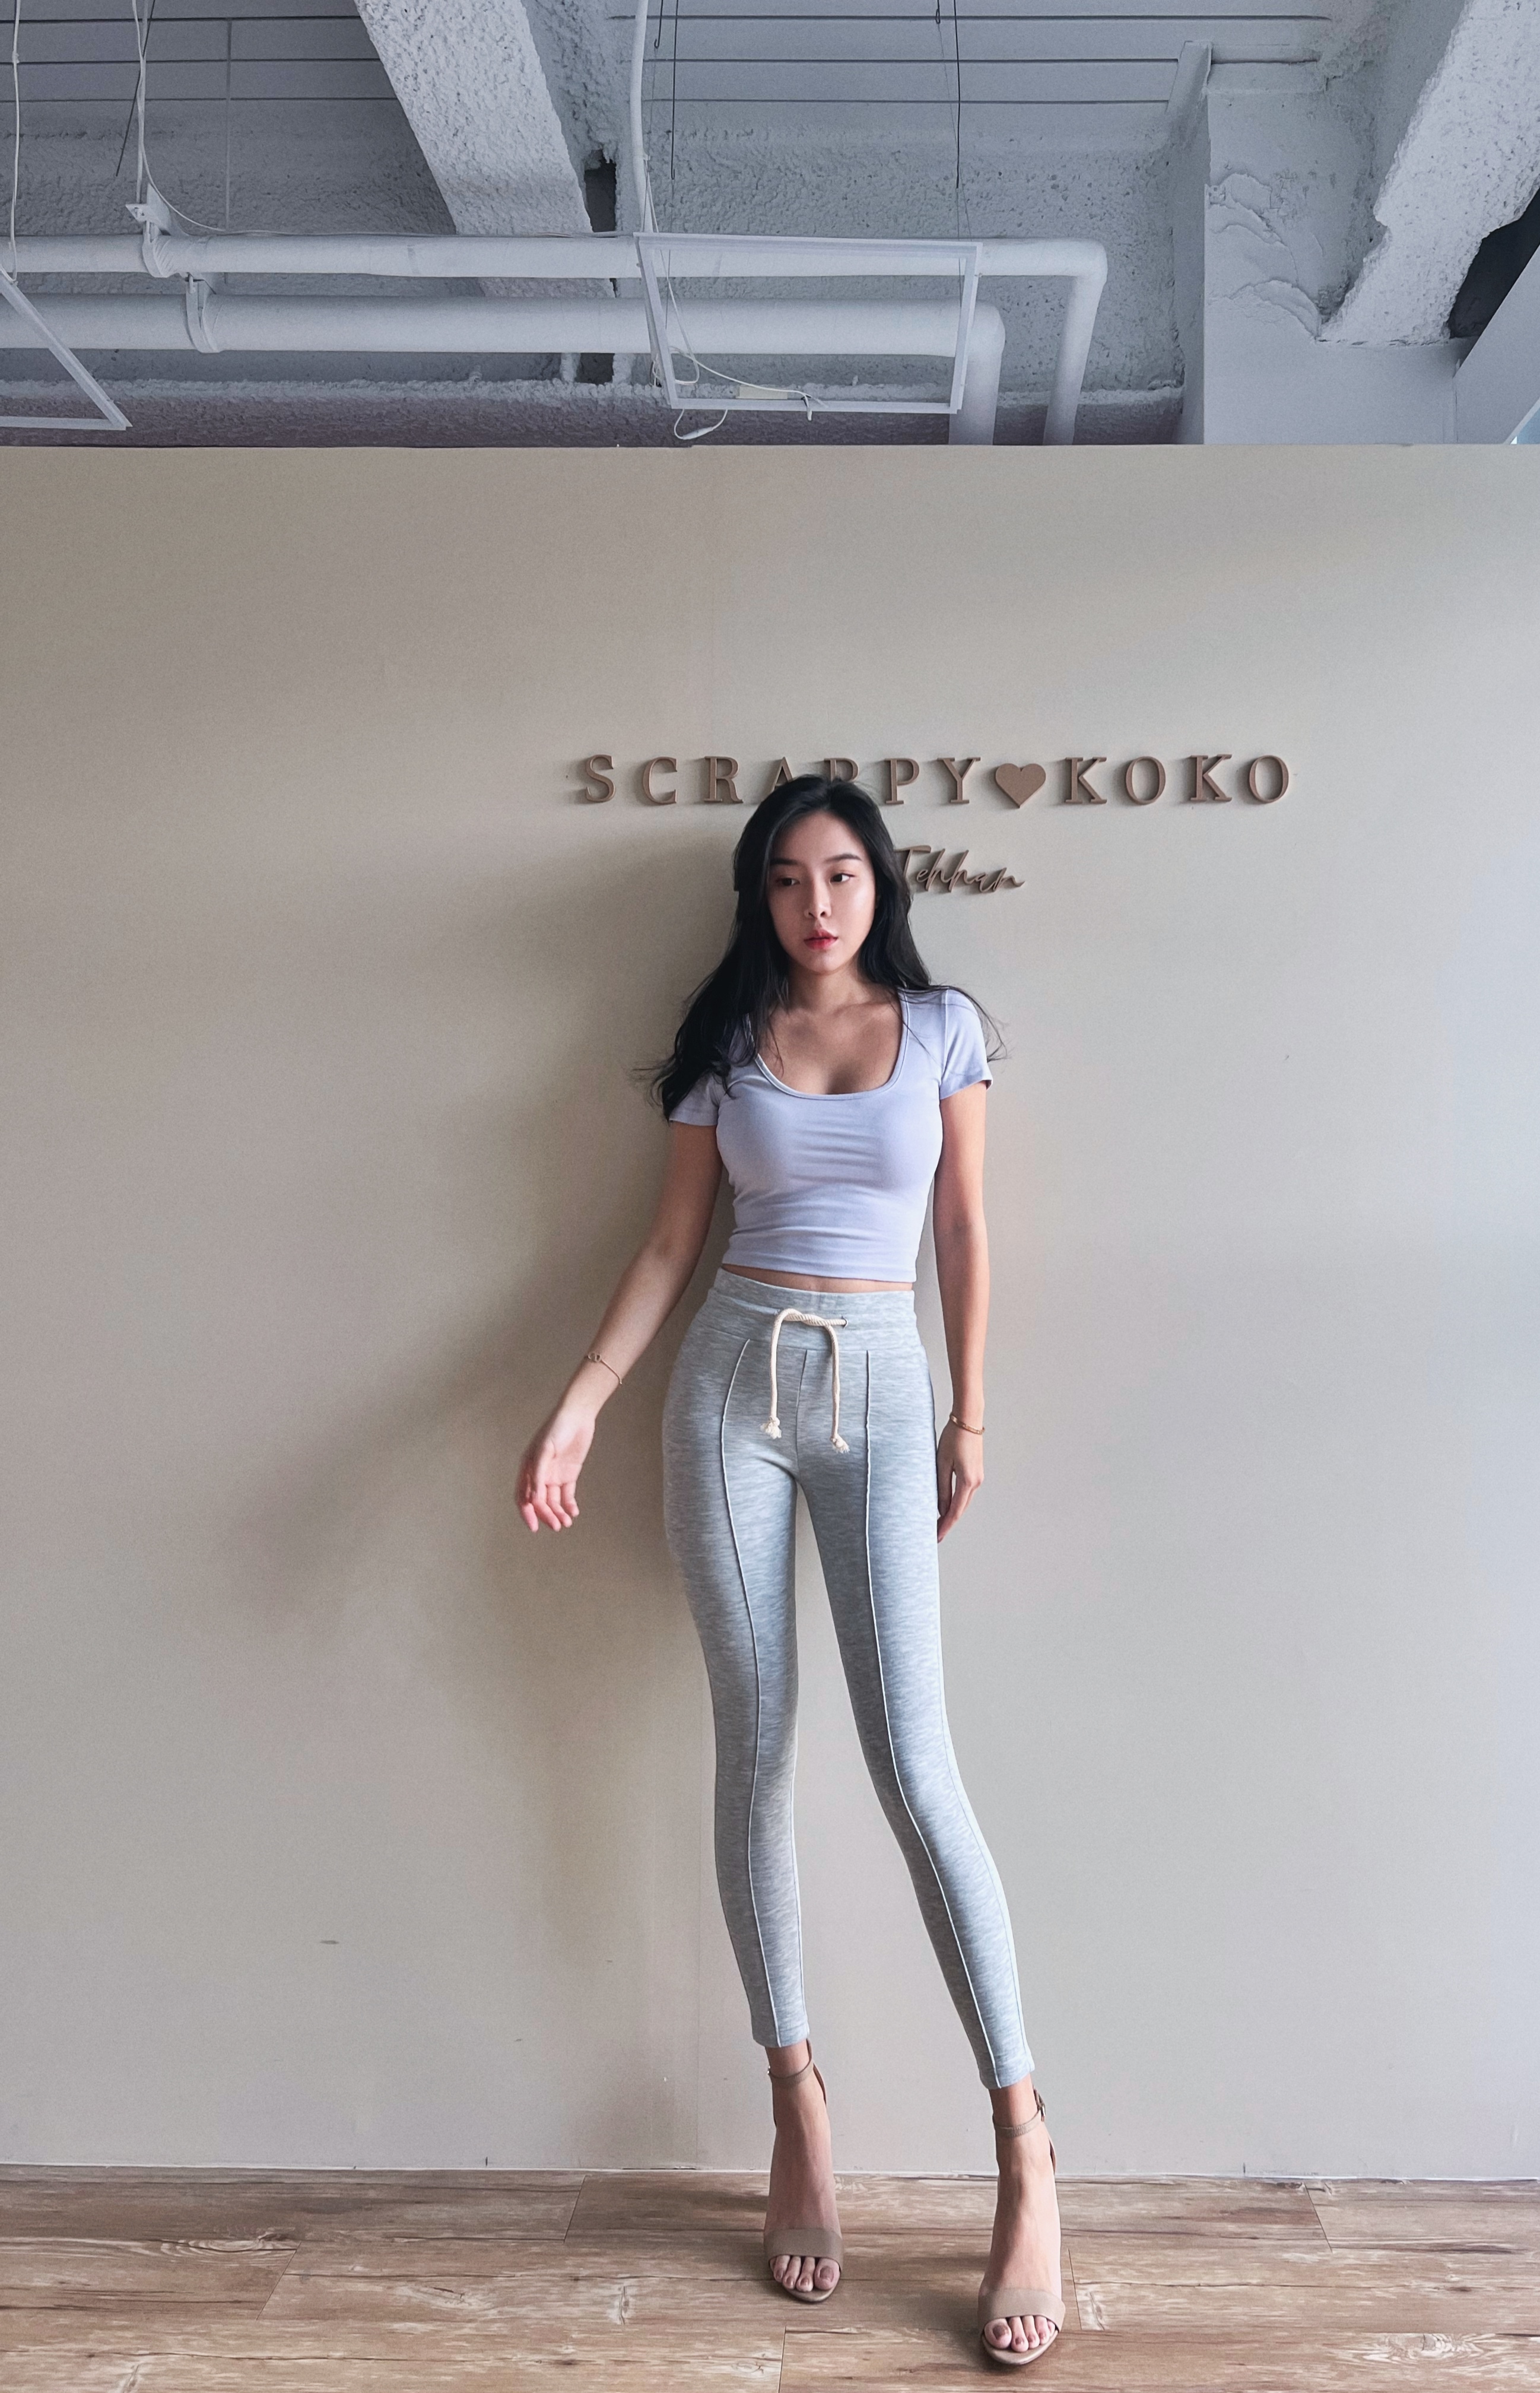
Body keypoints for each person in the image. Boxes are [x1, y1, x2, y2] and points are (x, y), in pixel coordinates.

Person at [515, 776, 1063, 2367]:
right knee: (753, 1747)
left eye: (841, 875)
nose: (817, 905)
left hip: (882, 1387)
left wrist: (969, 1413)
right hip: (728, 1393)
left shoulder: (944, 1030)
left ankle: (1026, 2147)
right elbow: (670, 1246)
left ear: (881, 886)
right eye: (786, 880)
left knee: (913, 1763)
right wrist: (584, 1398)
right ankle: (797, 2103)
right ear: (758, 899)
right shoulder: (726, 1046)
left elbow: (963, 1231)